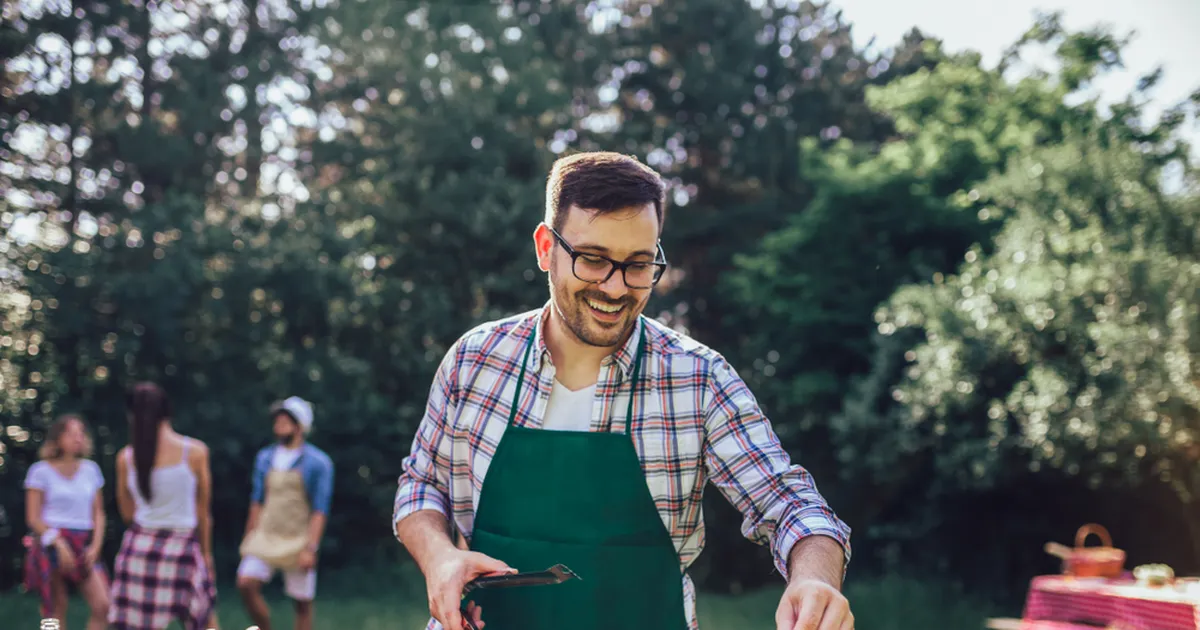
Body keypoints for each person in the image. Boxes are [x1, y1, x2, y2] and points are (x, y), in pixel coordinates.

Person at [393, 151, 854, 630]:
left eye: (638, 264)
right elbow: (422, 483)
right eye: (593, 260)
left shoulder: (699, 379)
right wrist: (440, 558)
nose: (615, 288)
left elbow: (792, 505)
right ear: (546, 247)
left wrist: (815, 580)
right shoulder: (475, 360)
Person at [108, 381, 218, 630]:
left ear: (130, 416)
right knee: (205, 622)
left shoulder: (125, 458)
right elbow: (203, 514)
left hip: (138, 549)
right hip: (182, 549)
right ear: (168, 411)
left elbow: (127, 513)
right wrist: (207, 556)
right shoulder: (195, 452)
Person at [237, 395, 334, 630]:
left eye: (284, 421)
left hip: (298, 538)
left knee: (301, 603)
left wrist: (311, 547)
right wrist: (249, 535)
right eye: (277, 421)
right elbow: (257, 501)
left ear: (299, 426)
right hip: (266, 534)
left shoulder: (318, 462)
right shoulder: (265, 457)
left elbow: (320, 509)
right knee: (245, 582)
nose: (278, 426)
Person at [23, 413, 111, 629]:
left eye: (81, 432)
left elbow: (98, 513)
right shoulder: (40, 471)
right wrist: (58, 543)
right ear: (57, 439)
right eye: (71, 433)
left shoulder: (91, 470)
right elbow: (33, 518)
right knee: (54, 610)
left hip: (83, 542)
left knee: (104, 606)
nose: (78, 438)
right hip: (51, 544)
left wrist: (96, 547)